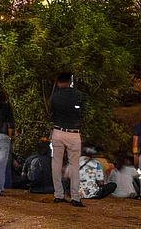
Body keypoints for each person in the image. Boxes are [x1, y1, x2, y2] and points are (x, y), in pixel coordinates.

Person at [50, 72, 86, 207]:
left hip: (58, 131)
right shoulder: (78, 95)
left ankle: (58, 194)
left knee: (56, 163)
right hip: (74, 133)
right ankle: (75, 197)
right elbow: (83, 113)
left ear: (58, 82)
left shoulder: (55, 96)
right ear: (70, 81)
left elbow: (51, 113)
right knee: (74, 166)